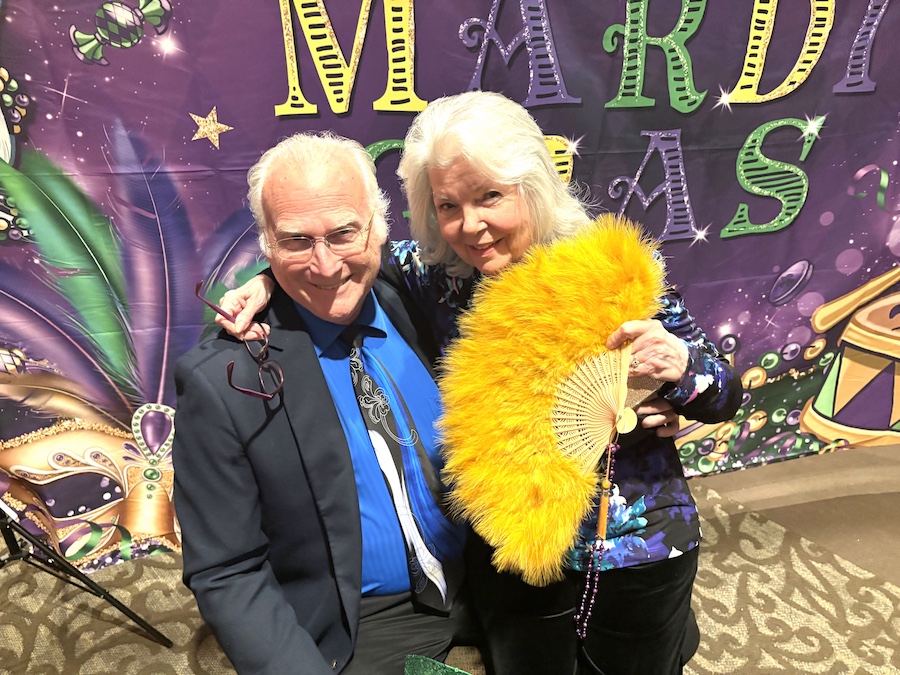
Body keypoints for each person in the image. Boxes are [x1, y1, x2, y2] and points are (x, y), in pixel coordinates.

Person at [218, 91, 742, 675]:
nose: (471, 225)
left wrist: (684, 369)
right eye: (449, 205)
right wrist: (267, 280)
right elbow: (340, 258)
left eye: (490, 196)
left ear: (532, 187)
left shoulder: (609, 272)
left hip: (636, 546)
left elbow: (726, 396)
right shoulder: (441, 276)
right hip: (510, 545)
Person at [172, 131, 480, 675]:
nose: (325, 265)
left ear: (378, 228)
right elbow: (227, 570)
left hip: (493, 579)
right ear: (267, 245)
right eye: (296, 241)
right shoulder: (222, 382)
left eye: (343, 234)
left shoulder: (418, 297)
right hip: (365, 621)